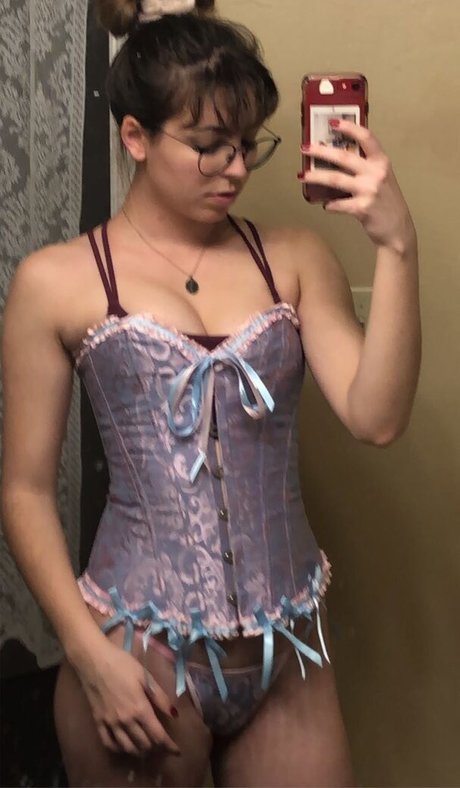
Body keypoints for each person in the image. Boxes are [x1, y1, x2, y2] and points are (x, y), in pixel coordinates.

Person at [0, 0, 421, 785]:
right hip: (135, 650)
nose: (235, 168)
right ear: (136, 137)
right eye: (207, 146)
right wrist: (85, 653)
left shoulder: (291, 258)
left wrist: (397, 244)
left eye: (246, 144)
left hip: (285, 648)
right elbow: (23, 491)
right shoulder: (56, 281)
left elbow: (378, 418)